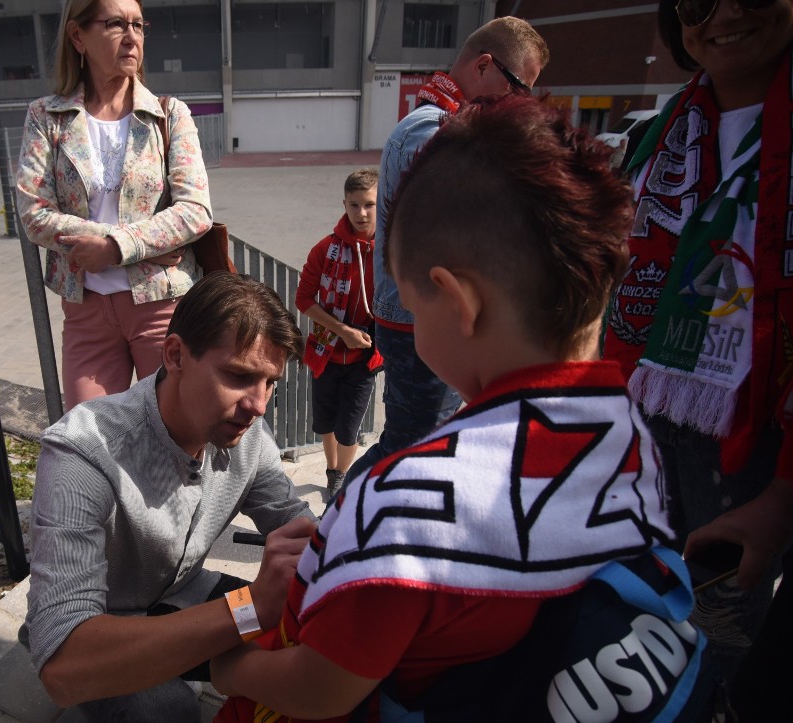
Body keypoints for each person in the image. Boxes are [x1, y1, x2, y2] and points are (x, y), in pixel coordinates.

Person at [207, 95, 712, 722]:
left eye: (414, 310)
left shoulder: (404, 505)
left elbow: (319, 688)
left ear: (457, 300)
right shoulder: (634, 440)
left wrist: (226, 661)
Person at [22, 271, 318, 721]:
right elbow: (63, 666)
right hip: (103, 629)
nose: (258, 404)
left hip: (185, 595)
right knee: (171, 711)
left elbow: (294, 522)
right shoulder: (82, 452)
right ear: (176, 354)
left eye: (270, 382)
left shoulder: (246, 432)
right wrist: (251, 608)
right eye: (239, 376)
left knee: (308, 634)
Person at [602, 0, 793, 684]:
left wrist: (784, 493)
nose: (725, 14)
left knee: (726, 639)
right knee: (646, 616)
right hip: (646, 419)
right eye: (698, 2)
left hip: (756, 447)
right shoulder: (664, 133)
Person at [345, 16, 550, 483]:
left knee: (414, 440)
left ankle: (339, 529)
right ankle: (336, 532)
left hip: (418, 317)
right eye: (520, 88)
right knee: (412, 444)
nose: (520, 102)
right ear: (484, 65)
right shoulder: (436, 130)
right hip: (423, 321)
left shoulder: (441, 121)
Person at [16, 0, 212, 411]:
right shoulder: (47, 117)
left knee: (174, 435)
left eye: (139, 25)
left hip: (162, 306)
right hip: (86, 310)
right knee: (89, 439)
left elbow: (195, 211)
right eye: (116, 24)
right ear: (77, 36)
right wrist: (116, 242)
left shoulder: (168, 116)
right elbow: (34, 213)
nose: (132, 36)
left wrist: (119, 247)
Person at [295, 168, 383, 500]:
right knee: (326, 422)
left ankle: (342, 476)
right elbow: (303, 299)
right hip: (327, 351)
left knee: (350, 428)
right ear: (344, 204)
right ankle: (332, 471)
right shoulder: (325, 249)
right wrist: (342, 331)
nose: (362, 213)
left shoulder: (391, 250)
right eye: (355, 205)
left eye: (370, 205)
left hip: (366, 355)